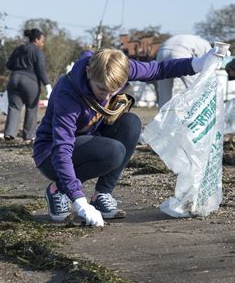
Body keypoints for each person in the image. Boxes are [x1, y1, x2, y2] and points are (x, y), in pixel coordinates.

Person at [33, 47, 225, 227]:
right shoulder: (67, 94)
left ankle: (102, 195)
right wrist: (79, 200)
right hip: (51, 155)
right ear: (89, 72)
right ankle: (57, 189)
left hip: (88, 140)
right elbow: (62, 149)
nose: (107, 96)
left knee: (131, 123)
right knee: (113, 152)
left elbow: (158, 69)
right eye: (102, 89)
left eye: (113, 91)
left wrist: (198, 63)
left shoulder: (118, 67)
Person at [4, 28, 52, 142]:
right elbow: (40, 70)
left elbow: (8, 65)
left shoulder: (18, 49)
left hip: (14, 79)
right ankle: (28, 136)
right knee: (31, 108)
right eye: (42, 41)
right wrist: (47, 85)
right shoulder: (37, 51)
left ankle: (9, 133)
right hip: (30, 81)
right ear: (36, 39)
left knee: (14, 107)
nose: (42, 43)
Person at [156, 34, 211, 108]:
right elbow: (207, 64)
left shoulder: (189, 38)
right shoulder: (206, 44)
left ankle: (162, 115)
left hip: (162, 52)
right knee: (195, 87)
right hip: (180, 52)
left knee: (164, 90)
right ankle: (199, 110)